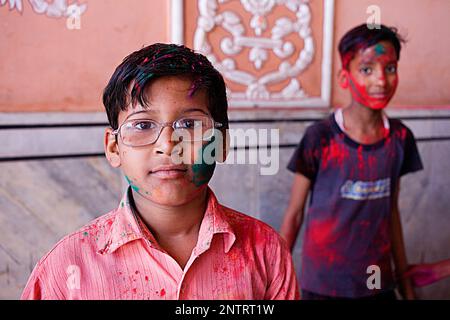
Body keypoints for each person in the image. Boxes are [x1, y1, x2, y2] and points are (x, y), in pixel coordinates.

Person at [21, 43, 299, 300]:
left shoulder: (266, 252)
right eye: (142, 125)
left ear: (220, 144)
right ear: (114, 148)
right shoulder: (66, 267)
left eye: (190, 124)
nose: (168, 145)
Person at [280, 24, 423, 300]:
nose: (381, 80)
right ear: (344, 77)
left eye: (390, 68)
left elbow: (391, 212)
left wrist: (405, 282)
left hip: (378, 285)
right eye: (367, 69)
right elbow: (294, 215)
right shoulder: (320, 137)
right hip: (324, 285)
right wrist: (276, 281)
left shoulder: (401, 138)